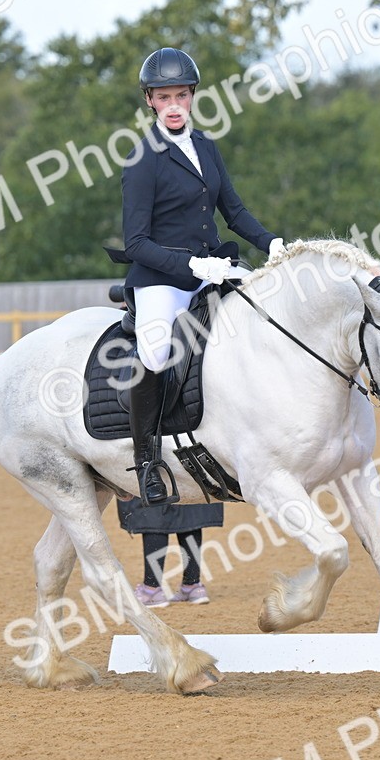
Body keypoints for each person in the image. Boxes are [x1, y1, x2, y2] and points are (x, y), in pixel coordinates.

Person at [115, 47, 285, 607]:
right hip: (162, 278)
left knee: (255, 329)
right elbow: (136, 240)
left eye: (180, 95)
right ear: (150, 102)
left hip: (212, 267)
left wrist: (273, 244)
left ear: (192, 97)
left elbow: (233, 211)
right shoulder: (143, 159)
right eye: (162, 97)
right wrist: (190, 267)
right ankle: (146, 463)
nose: (172, 105)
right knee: (158, 351)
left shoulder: (206, 146)